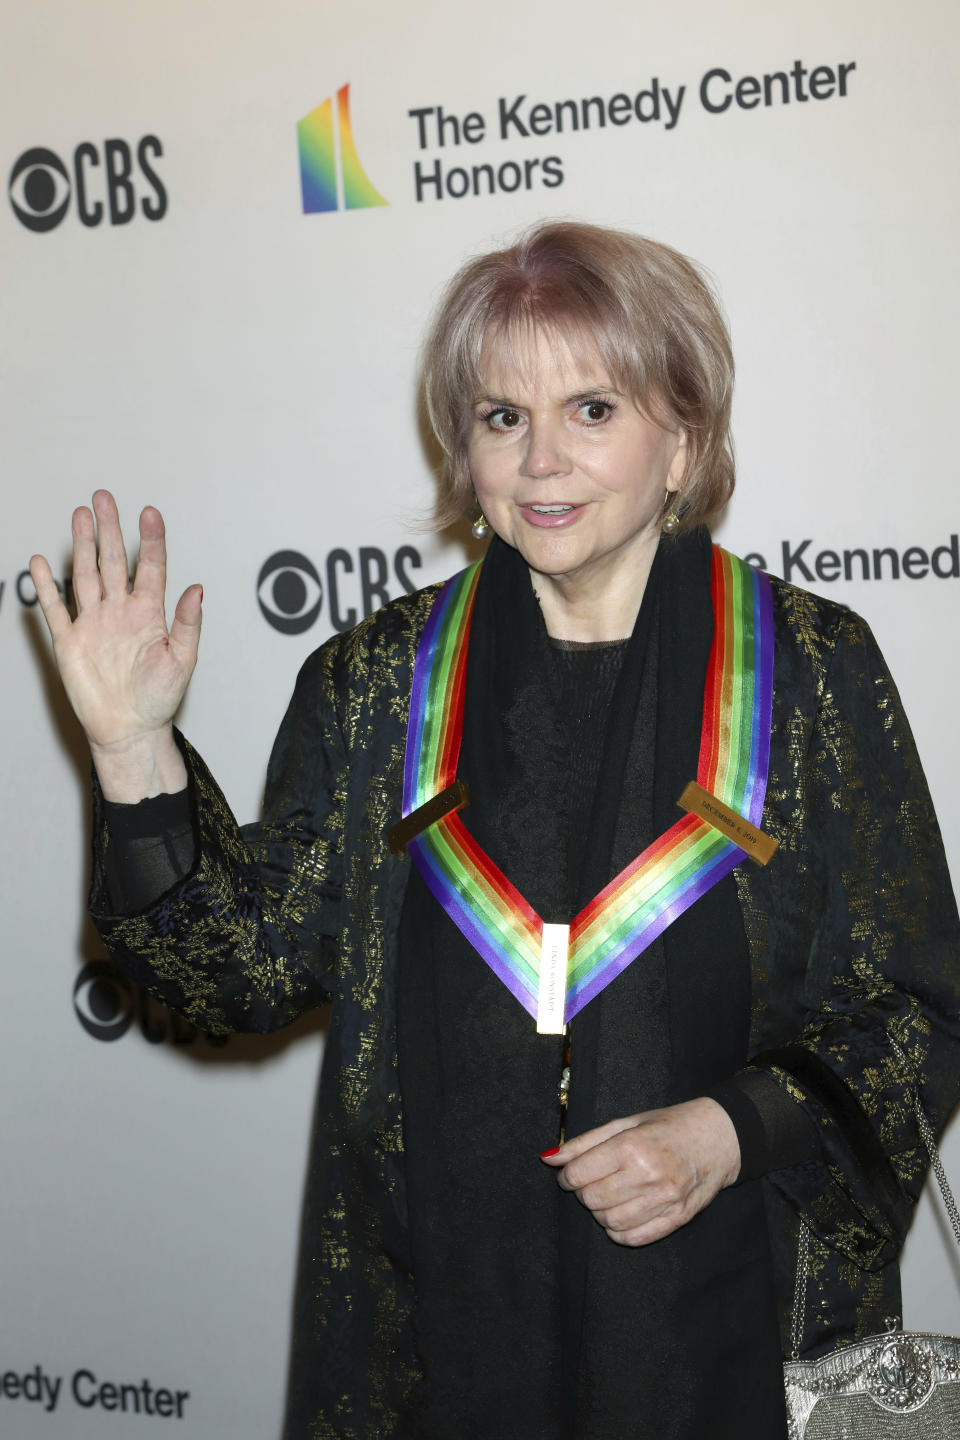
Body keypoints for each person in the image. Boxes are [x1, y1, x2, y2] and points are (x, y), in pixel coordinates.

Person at [30, 221, 960, 1440]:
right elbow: (237, 976)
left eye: (591, 409)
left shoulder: (813, 670)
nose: (539, 463)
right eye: (500, 418)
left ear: (682, 439)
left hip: (721, 1348)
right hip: (447, 1357)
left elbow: (915, 1004)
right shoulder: (376, 685)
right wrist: (132, 752)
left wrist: (732, 1130)